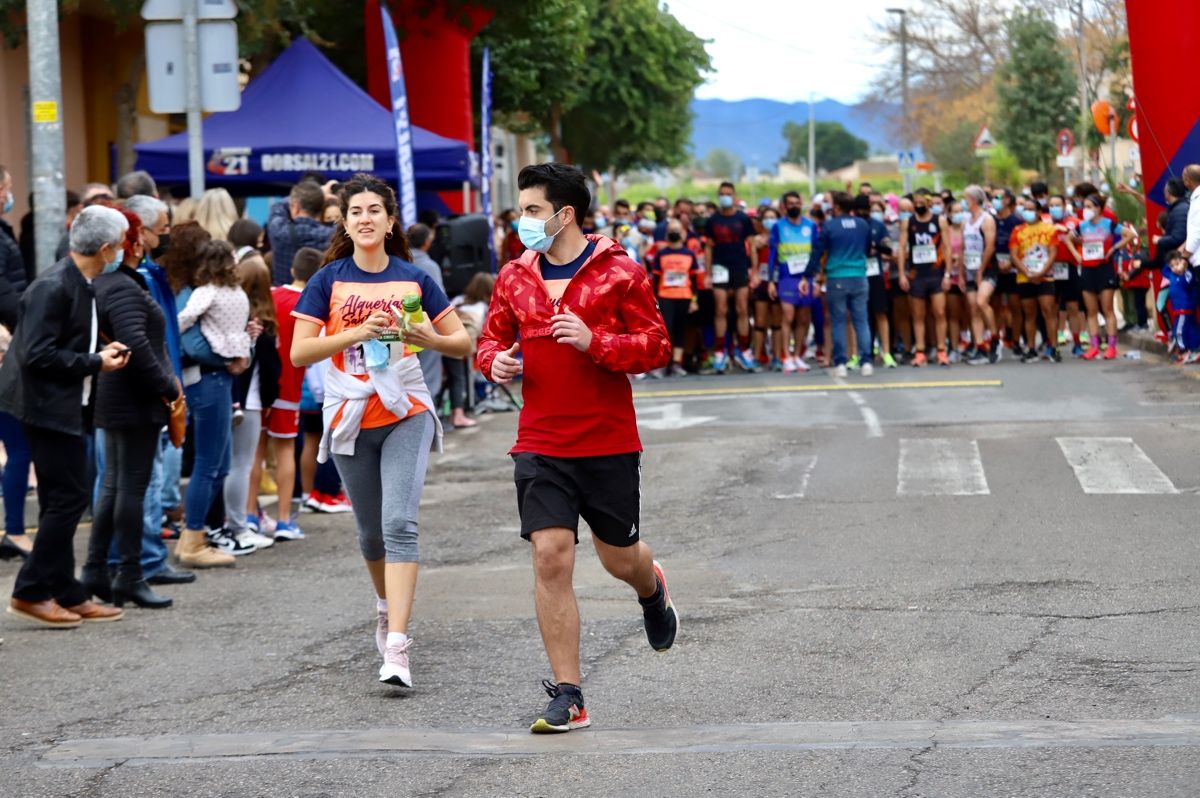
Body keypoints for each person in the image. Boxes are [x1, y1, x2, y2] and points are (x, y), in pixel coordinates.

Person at [477, 163, 676, 734]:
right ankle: (570, 694)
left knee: (619, 559)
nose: (523, 222)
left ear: (565, 214)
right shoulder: (515, 276)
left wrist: (597, 342)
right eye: (521, 211)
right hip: (540, 440)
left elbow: (656, 345)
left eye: (533, 211)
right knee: (551, 556)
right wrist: (498, 362)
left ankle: (651, 586)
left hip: (607, 439)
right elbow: (491, 339)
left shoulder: (620, 273)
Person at [291, 173, 470, 690]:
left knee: (399, 524)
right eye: (356, 212)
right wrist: (355, 332)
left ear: (391, 221)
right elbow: (301, 351)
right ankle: (384, 607)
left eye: (375, 210)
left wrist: (424, 336)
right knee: (370, 533)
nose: (365, 219)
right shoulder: (328, 279)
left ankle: (397, 646)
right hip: (349, 410)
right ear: (344, 223)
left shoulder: (415, 278)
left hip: (405, 407)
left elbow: (461, 342)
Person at [0, 206, 131, 627]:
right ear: (107, 247)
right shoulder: (53, 285)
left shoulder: (80, 280)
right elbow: (37, 354)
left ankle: (66, 590)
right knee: (67, 499)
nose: (125, 250)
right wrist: (95, 361)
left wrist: (97, 357)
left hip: (62, 404)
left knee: (67, 498)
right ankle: (31, 591)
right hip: (43, 407)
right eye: (122, 243)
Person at [83, 204, 181, 610]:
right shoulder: (122, 287)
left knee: (114, 485)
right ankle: (127, 573)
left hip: (117, 396)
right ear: (133, 241)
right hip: (133, 399)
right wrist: (167, 387)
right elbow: (135, 345)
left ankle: (97, 570)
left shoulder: (107, 284)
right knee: (129, 487)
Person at [176, 239, 251, 563]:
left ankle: (193, 535)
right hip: (222, 376)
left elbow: (182, 319)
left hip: (209, 375)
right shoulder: (237, 291)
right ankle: (193, 538)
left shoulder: (205, 291)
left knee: (211, 463)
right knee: (215, 463)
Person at [261, 246, 322, 538]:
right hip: (289, 386)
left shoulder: (271, 296)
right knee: (286, 451)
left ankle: (250, 515)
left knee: (255, 453)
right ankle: (285, 519)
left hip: (260, 387)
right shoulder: (311, 306)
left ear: (293, 270)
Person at [222, 250, 280, 552]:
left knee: (226, 464)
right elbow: (271, 372)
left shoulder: (229, 315)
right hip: (249, 402)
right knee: (240, 465)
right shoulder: (262, 324)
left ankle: (227, 523)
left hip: (228, 398)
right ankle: (238, 524)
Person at [804, 192, 873, 377]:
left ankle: (841, 362)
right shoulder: (862, 224)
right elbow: (867, 248)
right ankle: (866, 361)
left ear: (837, 207)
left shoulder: (829, 225)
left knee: (838, 321)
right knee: (861, 320)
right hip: (859, 275)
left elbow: (818, 252)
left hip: (837, 277)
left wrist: (807, 275)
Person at [0, 164, 31, 561]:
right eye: (7, 186)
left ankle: (16, 530)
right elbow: (5, 292)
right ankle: (16, 531)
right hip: (7, 349)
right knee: (19, 444)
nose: (10, 193)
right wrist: (30, 326)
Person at [1067, 194, 1134, 360]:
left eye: (1089, 207)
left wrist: (1114, 248)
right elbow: (1068, 239)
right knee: (1091, 311)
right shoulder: (1082, 226)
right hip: (1088, 270)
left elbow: (1130, 235)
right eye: (1085, 206)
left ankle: (1111, 347)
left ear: (1098, 208)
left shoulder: (1108, 224)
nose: (1085, 210)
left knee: (1107, 309)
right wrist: (1077, 255)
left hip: (1104, 269)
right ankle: (1094, 346)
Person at [704, 181, 757, 372]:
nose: (725, 196)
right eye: (722, 193)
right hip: (719, 268)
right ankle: (720, 352)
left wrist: (755, 271)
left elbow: (752, 247)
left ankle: (744, 350)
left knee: (743, 309)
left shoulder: (743, 219)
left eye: (728, 193)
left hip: (739, 267)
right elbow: (708, 248)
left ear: (734, 196)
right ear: (718, 196)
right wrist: (708, 273)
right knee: (720, 309)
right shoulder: (713, 220)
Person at [898, 189, 951, 367]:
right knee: (918, 315)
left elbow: (947, 248)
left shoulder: (940, 221)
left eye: (922, 203)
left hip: (936, 273)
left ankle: (942, 350)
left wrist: (948, 273)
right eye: (916, 203)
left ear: (929, 203)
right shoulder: (908, 222)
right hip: (916, 274)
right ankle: (920, 351)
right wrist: (902, 274)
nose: (919, 206)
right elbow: (902, 247)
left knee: (940, 312)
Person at [768, 190, 817, 373]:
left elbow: (816, 254)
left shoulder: (810, 226)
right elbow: (772, 254)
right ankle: (785, 356)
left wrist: (816, 279)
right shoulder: (778, 226)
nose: (794, 206)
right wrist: (771, 281)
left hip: (806, 278)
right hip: (786, 277)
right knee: (787, 317)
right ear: (784, 206)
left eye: (797, 203)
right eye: (791, 203)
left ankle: (797, 356)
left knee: (803, 319)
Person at [1009, 197, 1061, 363]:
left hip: (1045, 277)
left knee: (1048, 311)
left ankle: (1052, 347)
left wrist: (1041, 273)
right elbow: (1014, 256)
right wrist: (1028, 273)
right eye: (1025, 209)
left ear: (1039, 212)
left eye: (1031, 209)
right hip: (1025, 278)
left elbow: (1053, 253)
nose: (1027, 212)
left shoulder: (1049, 229)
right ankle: (1031, 348)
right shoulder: (1017, 230)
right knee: (1029, 314)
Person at [649, 218, 702, 377]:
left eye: (677, 230)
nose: (674, 233)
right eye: (671, 230)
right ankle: (662, 363)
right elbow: (656, 279)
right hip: (665, 297)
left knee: (680, 330)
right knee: (665, 330)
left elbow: (694, 281)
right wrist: (655, 299)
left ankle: (677, 364)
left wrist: (694, 301)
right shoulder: (661, 254)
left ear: (683, 234)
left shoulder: (689, 254)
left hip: (685, 297)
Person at [444, 272, 494, 425]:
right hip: (461, 345)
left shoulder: (458, 300)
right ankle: (458, 415)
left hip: (442, 339)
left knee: (451, 377)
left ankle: (452, 410)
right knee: (458, 378)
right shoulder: (483, 306)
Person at [266, 179, 335, 285]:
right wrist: (320, 195)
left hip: (283, 298)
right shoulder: (332, 236)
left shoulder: (279, 231)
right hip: (320, 299)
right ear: (322, 206)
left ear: (296, 206)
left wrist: (319, 192)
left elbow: (277, 207)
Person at [405, 223, 445, 400]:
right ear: (427, 242)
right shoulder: (429, 266)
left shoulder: (401, 264)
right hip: (425, 324)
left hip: (403, 324)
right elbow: (439, 301)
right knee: (428, 372)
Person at [1047, 194, 1085, 356]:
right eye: (1051, 205)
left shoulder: (1074, 223)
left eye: (1057, 205)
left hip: (1069, 267)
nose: (1054, 208)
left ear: (1064, 206)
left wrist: (1068, 233)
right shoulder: (1044, 223)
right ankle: (1052, 344)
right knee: (1051, 308)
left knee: (1072, 307)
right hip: (1049, 269)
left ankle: (1077, 342)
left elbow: (1084, 240)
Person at [750, 207, 783, 370]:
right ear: (762, 221)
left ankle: (777, 357)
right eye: (767, 217)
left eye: (773, 217)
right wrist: (754, 277)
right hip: (762, 282)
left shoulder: (783, 237)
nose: (770, 220)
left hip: (778, 281)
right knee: (760, 321)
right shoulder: (756, 240)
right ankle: (757, 357)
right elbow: (754, 264)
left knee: (777, 322)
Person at [993, 188, 1023, 358]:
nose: (995, 200)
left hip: (1013, 268)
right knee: (996, 306)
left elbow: (1021, 245)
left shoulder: (1016, 221)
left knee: (1015, 306)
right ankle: (996, 339)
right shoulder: (990, 221)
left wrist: (1012, 262)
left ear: (1007, 200)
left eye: (998, 197)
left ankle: (1016, 341)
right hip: (995, 267)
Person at [1164, 250, 1199, 362]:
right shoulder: (1171, 275)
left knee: (1179, 330)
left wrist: (1183, 265)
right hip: (1179, 309)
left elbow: (1189, 281)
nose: (1175, 267)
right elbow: (1164, 269)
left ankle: (1183, 350)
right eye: (1172, 265)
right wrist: (1174, 258)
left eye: (1177, 263)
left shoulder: (1187, 274)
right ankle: (1194, 348)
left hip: (1185, 308)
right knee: (1190, 329)